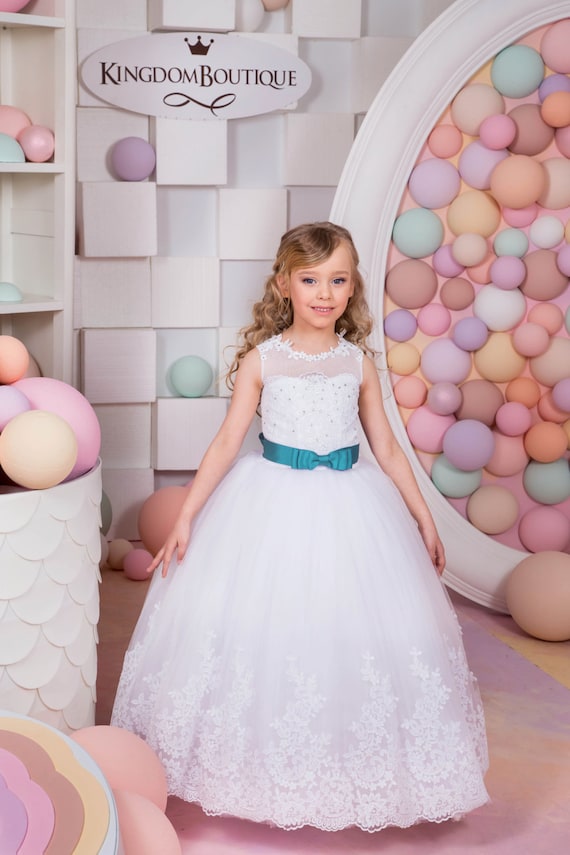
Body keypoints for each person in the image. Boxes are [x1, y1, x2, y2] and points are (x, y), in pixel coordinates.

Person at [111, 221, 489, 831]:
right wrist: (185, 517)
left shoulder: (356, 362)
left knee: (350, 633)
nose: (324, 292)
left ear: (352, 287)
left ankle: (347, 765)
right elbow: (227, 443)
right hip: (271, 504)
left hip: (351, 507)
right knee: (271, 633)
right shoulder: (266, 359)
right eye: (311, 279)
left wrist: (423, 517)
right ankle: (259, 770)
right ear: (284, 284)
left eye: (338, 280)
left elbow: (389, 450)